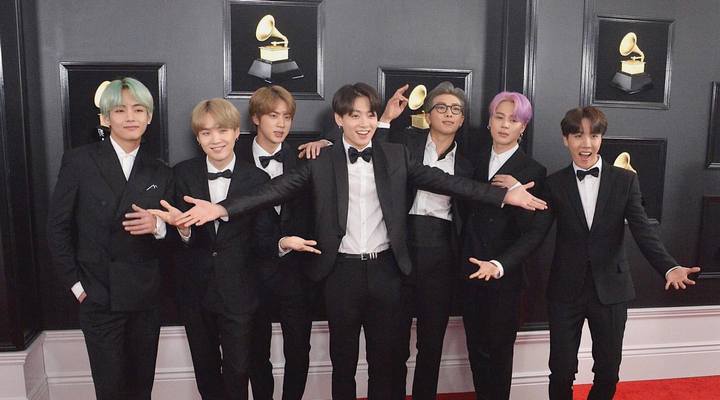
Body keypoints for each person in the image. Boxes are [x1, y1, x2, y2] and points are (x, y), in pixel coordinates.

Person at [172, 83, 547, 399]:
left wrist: (504, 195)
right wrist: (221, 209)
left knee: (387, 363)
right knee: (343, 365)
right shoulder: (322, 161)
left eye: (370, 115)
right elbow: (273, 190)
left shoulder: (396, 155)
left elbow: (448, 182)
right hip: (340, 273)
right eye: (354, 115)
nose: (364, 123)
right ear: (339, 119)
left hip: (387, 271)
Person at [149, 98, 318, 400]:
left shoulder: (256, 178)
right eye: (206, 133)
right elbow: (173, 244)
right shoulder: (182, 174)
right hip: (195, 291)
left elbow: (262, 239)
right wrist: (183, 230)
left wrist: (281, 243)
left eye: (223, 131)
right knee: (205, 370)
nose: (216, 140)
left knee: (238, 370)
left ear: (237, 132)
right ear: (198, 138)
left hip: (241, 291)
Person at [533, 106, 700, 400]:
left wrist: (669, 266)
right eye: (578, 135)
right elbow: (535, 235)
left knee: (608, 372)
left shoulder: (625, 180)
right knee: (560, 371)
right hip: (564, 290)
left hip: (612, 288)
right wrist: (500, 263)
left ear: (601, 139)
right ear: (565, 139)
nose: (586, 144)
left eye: (594, 136)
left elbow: (643, 230)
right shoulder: (554, 184)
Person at [47, 77, 173, 400]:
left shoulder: (161, 170)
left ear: (149, 116)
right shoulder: (79, 161)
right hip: (99, 294)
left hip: (145, 297)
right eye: (119, 110)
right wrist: (77, 286)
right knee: (110, 390)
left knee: (141, 389)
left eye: (138, 109)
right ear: (105, 118)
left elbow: (178, 237)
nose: (130, 117)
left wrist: (158, 225)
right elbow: (58, 228)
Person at [373, 81, 476, 400]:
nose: (449, 114)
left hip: (442, 254)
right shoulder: (406, 143)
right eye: (441, 107)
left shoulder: (467, 165)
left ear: (462, 119)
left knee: (431, 343)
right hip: (401, 248)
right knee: (395, 341)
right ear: (428, 115)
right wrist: (386, 119)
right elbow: (373, 155)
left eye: (456, 109)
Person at [460, 91, 547, 400]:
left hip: (505, 276)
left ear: (523, 127)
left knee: (498, 351)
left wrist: (517, 190)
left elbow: (533, 232)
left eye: (513, 120)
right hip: (469, 269)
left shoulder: (533, 171)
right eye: (499, 117)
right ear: (489, 121)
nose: (505, 125)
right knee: (475, 347)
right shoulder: (471, 159)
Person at [239, 86, 314, 400]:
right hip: (250, 272)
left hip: (296, 274)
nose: (281, 124)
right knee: (256, 352)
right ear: (256, 118)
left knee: (299, 350)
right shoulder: (234, 157)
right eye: (273, 115)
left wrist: (328, 141)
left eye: (287, 117)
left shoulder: (306, 157)